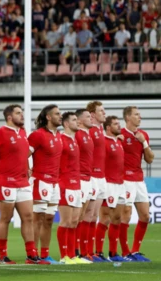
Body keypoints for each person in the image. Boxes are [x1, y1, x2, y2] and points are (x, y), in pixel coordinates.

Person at [0, 105, 47, 265]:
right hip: (7, 182)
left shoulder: (23, 133)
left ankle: (31, 255)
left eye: (22, 113)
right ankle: (3, 256)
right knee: (6, 218)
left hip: (23, 181)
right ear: (9, 117)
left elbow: (23, 155)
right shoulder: (0, 133)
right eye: (18, 113)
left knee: (28, 217)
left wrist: (27, 168)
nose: (22, 115)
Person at [29, 104, 63, 264]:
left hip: (55, 183)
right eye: (57, 114)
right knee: (38, 218)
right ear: (48, 117)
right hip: (41, 180)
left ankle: (45, 254)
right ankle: (33, 255)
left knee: (49, 219)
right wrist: (26, 170)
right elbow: (24, 154)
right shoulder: (38, 135)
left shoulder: (58, 136)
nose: (60, 116)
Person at [57, 112, 91, 264]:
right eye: (74, 120)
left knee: (74, 221)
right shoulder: (60, 140)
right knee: (65, 221)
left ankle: (72, 255)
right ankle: (64, 256)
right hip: (65, 184)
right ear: (65, 124)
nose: (78, 122)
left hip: (77, 184)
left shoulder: (74, 140)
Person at [121, 106, 154, 262]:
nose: (140, 117)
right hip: (124, 180)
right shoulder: (120, 134)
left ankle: (135, 250)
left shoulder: (143, 135)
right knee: (125, 216)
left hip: (139, 180)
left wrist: (144, 143)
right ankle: (125, 252)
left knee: (145, 216)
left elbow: (150, 159)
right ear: (128, 117)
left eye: (140, 115)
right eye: (136, 115)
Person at [100, 116, 129, 262]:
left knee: (117, 218)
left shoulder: (118, 141)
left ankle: (113, 253)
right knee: (105, 218)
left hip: (120, 183)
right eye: (116, 124)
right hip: (108, 183)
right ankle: (98, 253)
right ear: (108, 127)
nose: (120, 126)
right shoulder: (103, 141)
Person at [83, 101, 109, 262]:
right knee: (88, 215)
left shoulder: (100, 130)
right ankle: (84, 251)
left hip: (101, 178)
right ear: (93, 115)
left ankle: (91, 251)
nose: (104, 113)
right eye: (101, 111)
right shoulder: (89, 131)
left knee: (94, 217)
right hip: (91, 176)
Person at [74, 108, 96, 260]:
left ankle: (82, 251)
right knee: (76, 217)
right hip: (79, 178)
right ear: (80, 121)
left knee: (83, 216)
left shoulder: (88, 136)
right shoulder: (78, 135)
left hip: (88, 178)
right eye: (88, 117)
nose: (91, 118)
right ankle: (74, 250)